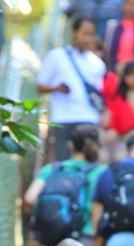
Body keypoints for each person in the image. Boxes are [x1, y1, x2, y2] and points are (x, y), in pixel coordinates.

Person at [37, 17, 107, 161]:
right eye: (84, 33)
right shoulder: (56, 56)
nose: (88, 39)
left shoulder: (97, 64)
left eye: (91, 34)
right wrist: (56, 88)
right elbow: (40, 85)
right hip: (63, 118)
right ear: (73, 32)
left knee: (89, 163)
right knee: (64, 162)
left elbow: (98, 94)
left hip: (89, 119)